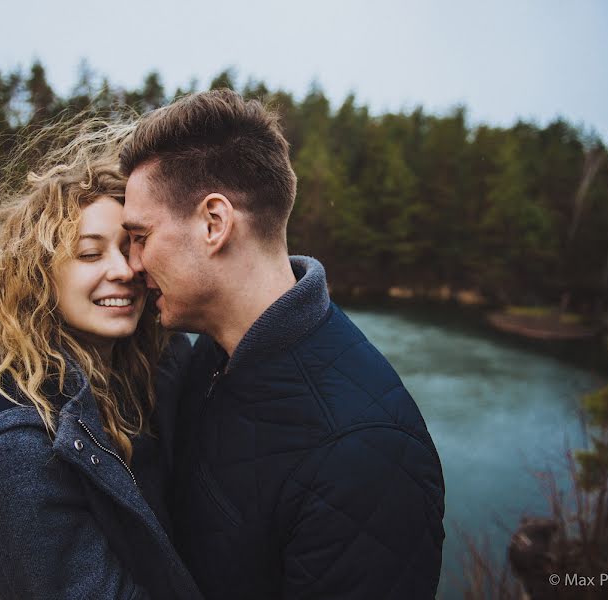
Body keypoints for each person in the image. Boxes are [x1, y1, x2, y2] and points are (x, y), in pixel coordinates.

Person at [119, 89, 446, 599]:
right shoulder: (207, 355)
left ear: (214, 223)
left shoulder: (368, 456)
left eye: (140, 236)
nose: (132, 265)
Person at [0, 117, 201, 600]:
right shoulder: (18, 456)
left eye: (130, 246)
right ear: (39, 278)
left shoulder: (160, 365)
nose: (124, 269)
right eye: (90, 254)